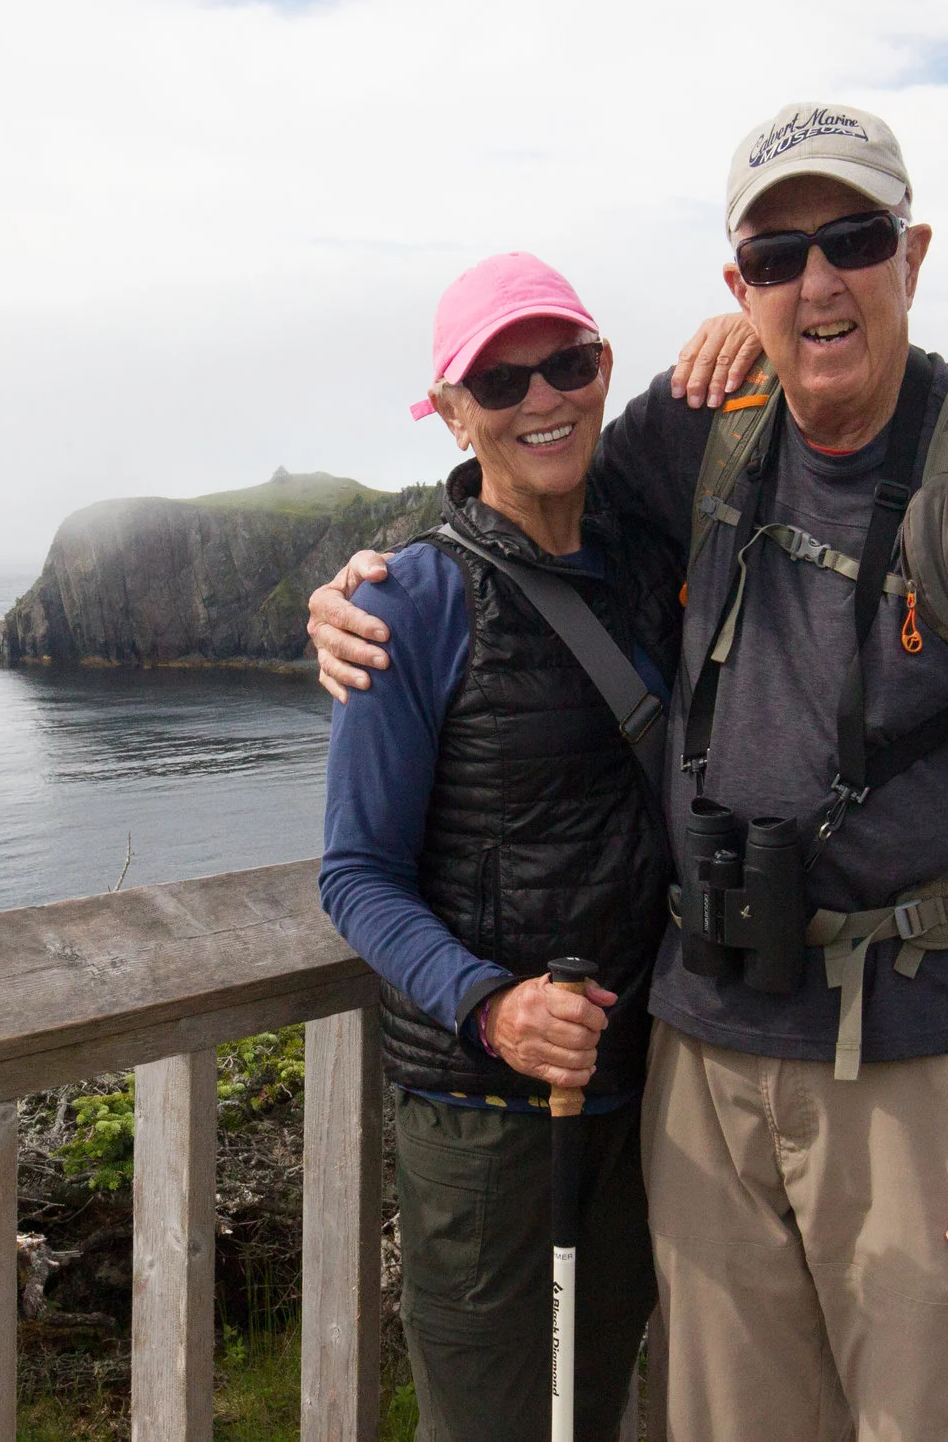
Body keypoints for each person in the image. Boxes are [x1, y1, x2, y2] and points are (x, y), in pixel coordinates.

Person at [310, 103, 948, 1440]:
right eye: (776, 255)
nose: (818, 281)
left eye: (852, 239)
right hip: (700, 1052)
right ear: (736, 283)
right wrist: (369, 591)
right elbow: (507, 506)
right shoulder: (702, 440)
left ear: (912, 254)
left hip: (916, 1054)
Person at [319, 251, 706, 1441]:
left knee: (587, 1411)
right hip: (485, 1117)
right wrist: (490, 1005)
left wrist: (733, 333)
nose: (543, 398)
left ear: (602, 370)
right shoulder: (405, 604)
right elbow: (355, 873)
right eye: (500, 379)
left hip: (638, 1089)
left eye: (568, 362)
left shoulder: (648, 559)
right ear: (451, 410)